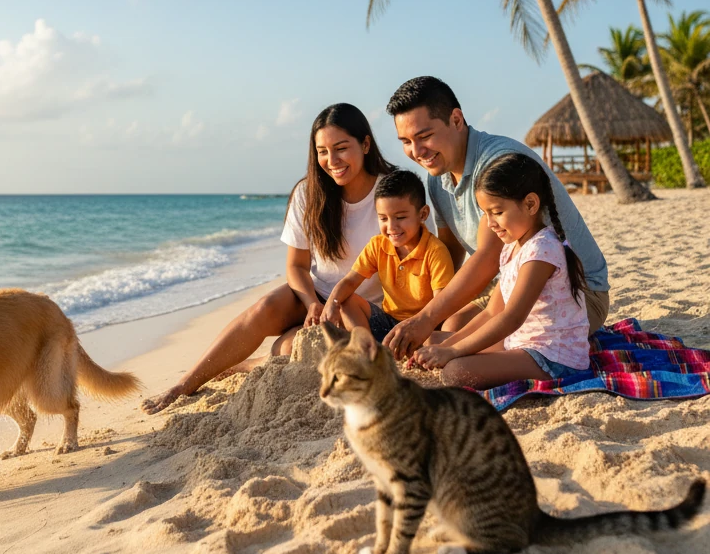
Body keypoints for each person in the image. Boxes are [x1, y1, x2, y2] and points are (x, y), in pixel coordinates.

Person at [140, 103, 394, 414]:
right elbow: (296, 266)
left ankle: (253, 363)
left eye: (341, 148)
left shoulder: (391, 191)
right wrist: (310, 304)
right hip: (317, 296)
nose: (332, 161)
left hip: (364, 308)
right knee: (265, 307)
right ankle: (184, 385)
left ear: (365, 144)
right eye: (322, 152)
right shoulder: (308, 193)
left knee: (291, 347)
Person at [382, 76, 609, 360]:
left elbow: (489, 258)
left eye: (424, 136)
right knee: (450, 325)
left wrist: (426, 318)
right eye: (406, 141)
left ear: (456, 120)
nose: (416, 152)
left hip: (578, 294)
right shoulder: (437, 177)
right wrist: (428, 315)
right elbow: (451, 250)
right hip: (510, 287)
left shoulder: (496, 162)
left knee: (463, 351)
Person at [414, 152, 591, 388]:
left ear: (530, 204)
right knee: (433, 340)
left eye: (497, 212)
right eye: (485, 214)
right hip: (520, 341)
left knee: (456, 371)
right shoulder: (511, 247)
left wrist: (453, 352)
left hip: (553, 356)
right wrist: (445, 348)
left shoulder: (542, 250)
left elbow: (511, 318)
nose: (490, 223)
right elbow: (491, 312)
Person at [321, 169, 455, 341]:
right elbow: (350, 281)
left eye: (400, 217)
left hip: (422, 327)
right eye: (383, 218)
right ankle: (367, 349)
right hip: (388, 322)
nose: (391, 227)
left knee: (436, 338)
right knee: (346, 300)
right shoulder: (378, 245)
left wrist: (421, 328)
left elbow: (441, 305)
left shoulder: (435, 251)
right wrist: (331, 304)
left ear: (422, 214)